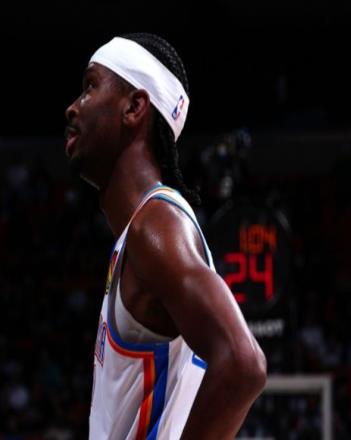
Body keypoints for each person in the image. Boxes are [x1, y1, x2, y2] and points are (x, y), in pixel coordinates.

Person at [64, 33, 267, 439]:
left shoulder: (156, 225)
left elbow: (243, 364)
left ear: (134, 107)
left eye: (90, 87)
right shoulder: (141, 232)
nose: (73, 107)